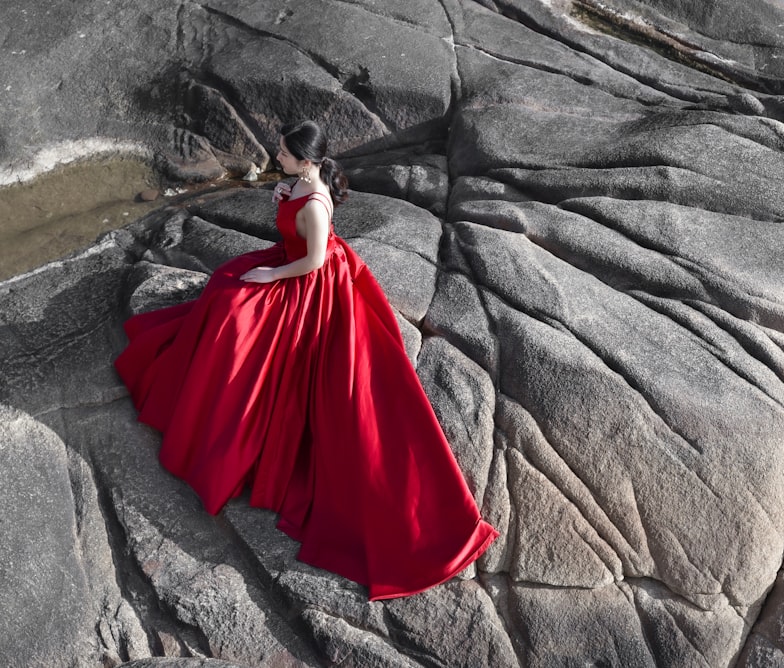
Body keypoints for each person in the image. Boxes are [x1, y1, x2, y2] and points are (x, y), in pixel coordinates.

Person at [115, 120, 499, 601]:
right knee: (222, 291)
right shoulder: (301, 183)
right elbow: (294, 211)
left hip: (307, 284)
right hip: (291, 262)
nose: (277, 156)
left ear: (308, 160)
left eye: (284, 154)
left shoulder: (317, 205)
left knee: (237, 315)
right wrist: (283, 193)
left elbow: (313, 262)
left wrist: (270, 274)